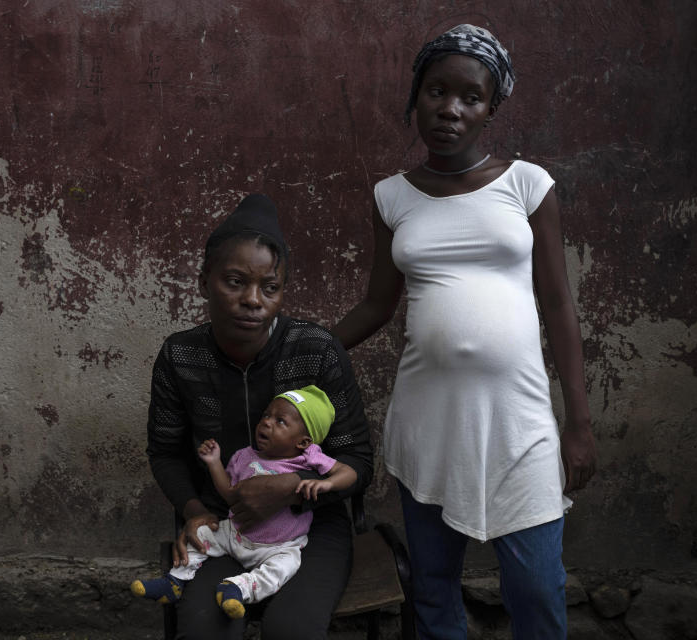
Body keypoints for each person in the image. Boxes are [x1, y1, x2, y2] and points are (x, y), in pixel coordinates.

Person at [332, 24, 598, 640]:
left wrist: (578, 424)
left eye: (470, 97)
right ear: (416, 97)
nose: (450, 108)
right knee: (433, 589)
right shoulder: (392, 197)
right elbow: (376, 304)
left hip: (519, 424)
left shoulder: (527, 185)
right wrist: (300, 344)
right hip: (428, 422)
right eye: (436, 91)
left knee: (535, 586)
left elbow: (558, 304)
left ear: (490, 110)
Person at [146, 193, 373, 640]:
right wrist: (193, 512)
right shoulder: (181, 356)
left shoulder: (316, 350)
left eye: (270, 287)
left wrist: (288, 489)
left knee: (292, 629)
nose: (253, 300)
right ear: (203, 281)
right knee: (205, 629)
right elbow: (166, 452)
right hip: (224, 524)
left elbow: (359, 460)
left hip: (309, 528)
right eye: (235, 281)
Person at [133, 385, 357, 620]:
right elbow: (230, 495)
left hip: (279, 546)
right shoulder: (245, 456)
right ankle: (175, 581)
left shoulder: (308, 458)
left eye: (280, 421)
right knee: (200, 533)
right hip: (236, 534)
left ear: (303, 442)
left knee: (284, 568)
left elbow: (349, 473)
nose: (267, 423)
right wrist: (214, 463)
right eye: (267, 415)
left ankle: (237, 588)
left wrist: (327, 483)